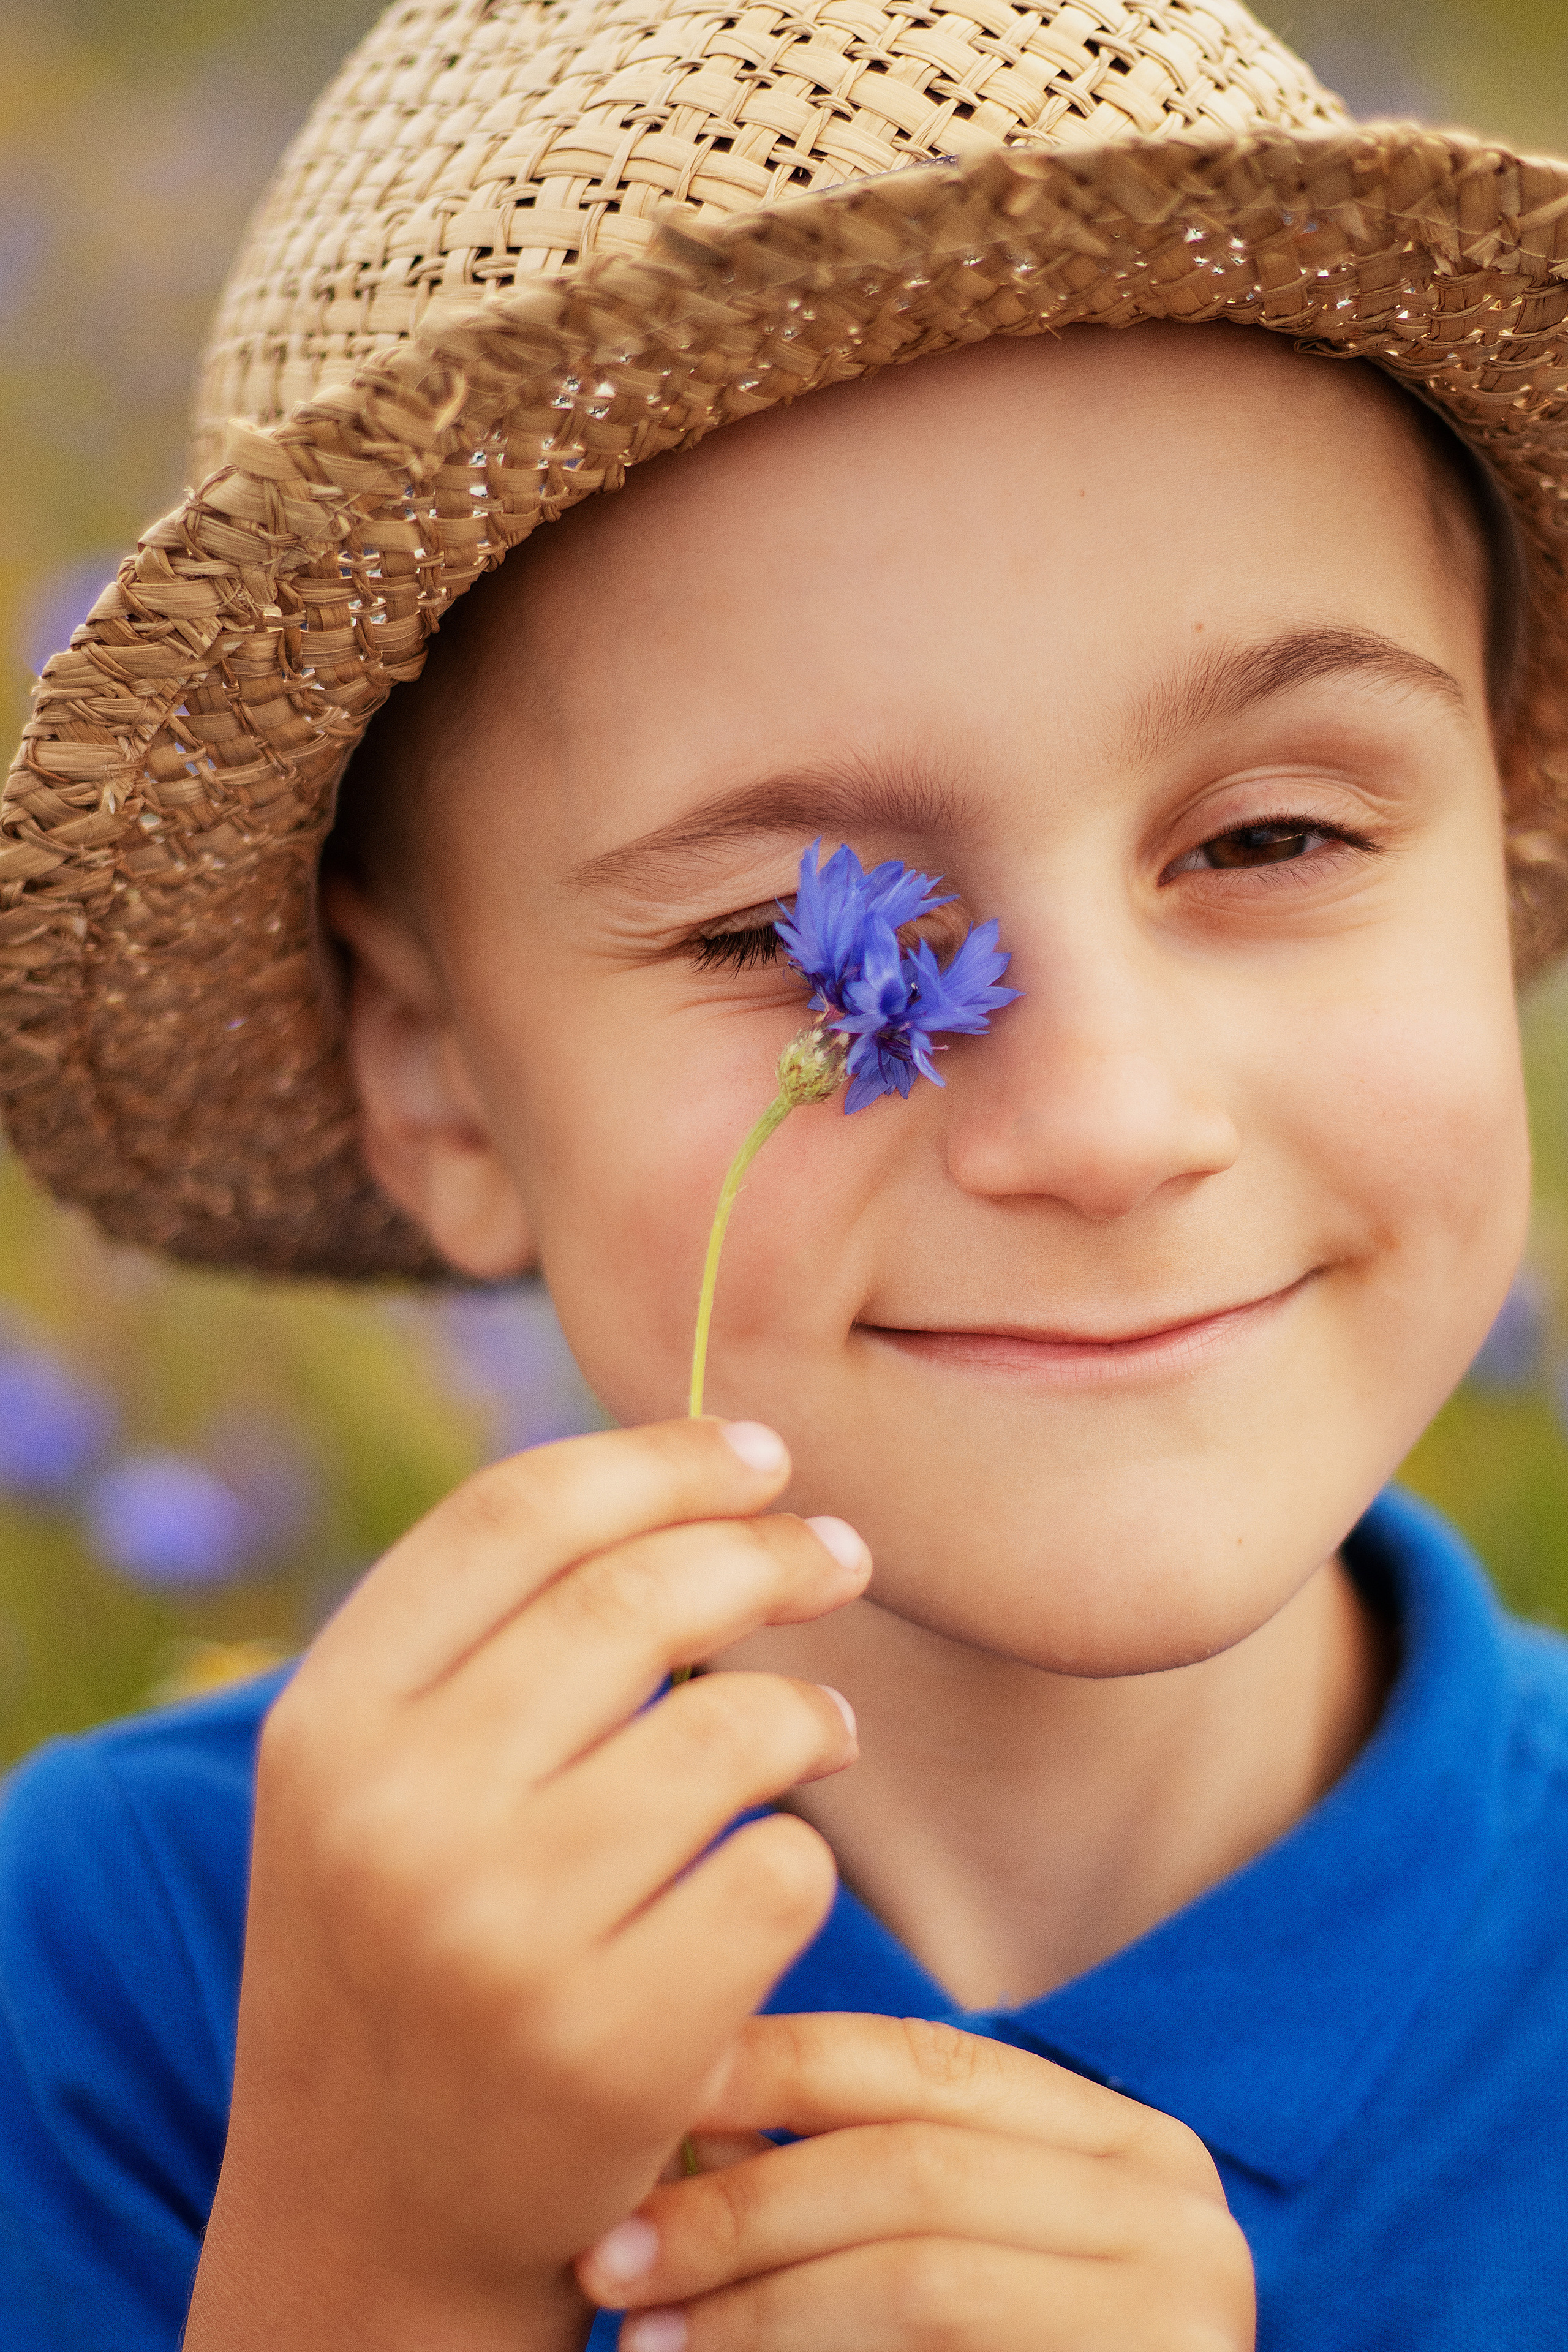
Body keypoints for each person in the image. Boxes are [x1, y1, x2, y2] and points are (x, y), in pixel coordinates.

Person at [2, 2, 1567, 2346]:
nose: (1113, 1120)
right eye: (781, 939)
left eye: (1271, 835)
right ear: (433, 1080)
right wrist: (380, 2259)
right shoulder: (128, 1976)